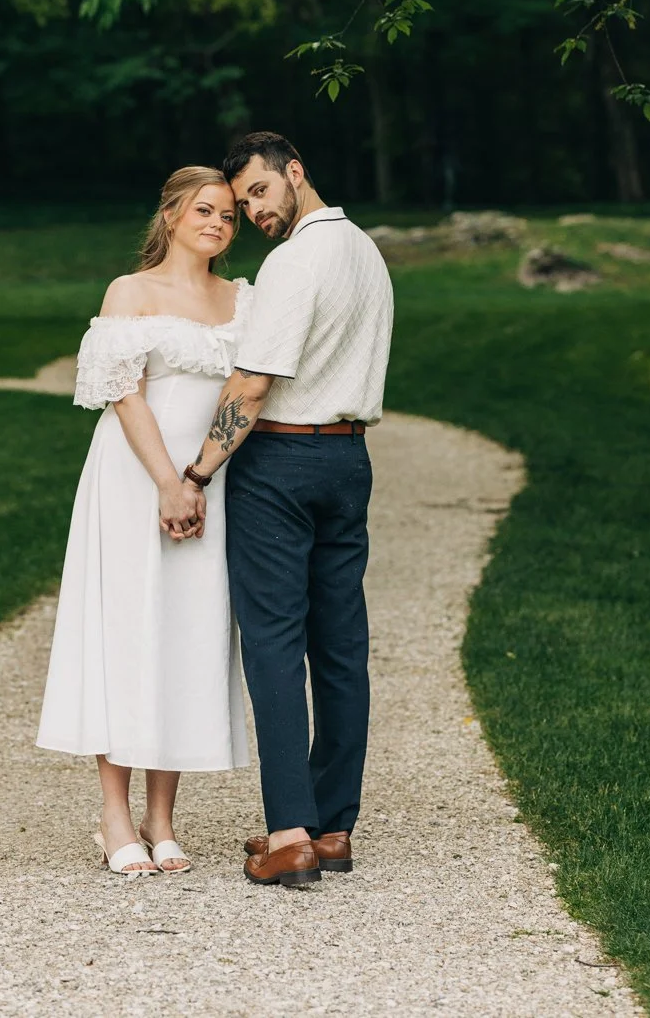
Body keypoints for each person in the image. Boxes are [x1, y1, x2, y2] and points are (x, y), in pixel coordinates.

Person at [178, 132, 393, 887]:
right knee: (340, 648)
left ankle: (289, 834)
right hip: (348, 459)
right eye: (243, 206)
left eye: (261, 194)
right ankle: (334, 829)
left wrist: (199, 472)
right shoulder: (366, 250)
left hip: (282, 461)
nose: (255, 212)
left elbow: (252, 385)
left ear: (295, 172)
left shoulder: (296, 260)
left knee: (271, 642)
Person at [36, 167, 250, 878]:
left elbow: (247, 391)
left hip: (209, 482)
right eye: (204, 211)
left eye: (228, 215)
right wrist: (167, 481)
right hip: (137, 477)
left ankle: (163, 818)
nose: (218, 223)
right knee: (128, 631)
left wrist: (199, 480)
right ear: (171, 214)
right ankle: (115, 815)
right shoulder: (132, 292)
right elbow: (124, 395)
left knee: (189, 631)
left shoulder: (242, 298)